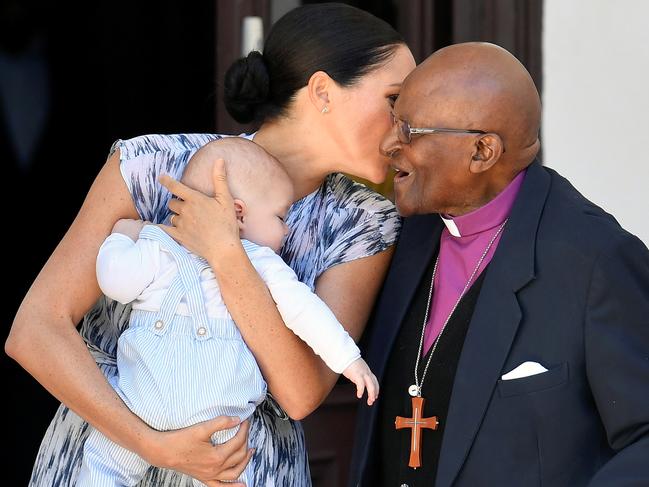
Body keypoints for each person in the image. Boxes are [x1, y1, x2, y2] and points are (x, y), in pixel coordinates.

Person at [5, 3, 415, 486]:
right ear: (323, 92)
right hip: (105, 461)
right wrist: (151, 444)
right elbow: (34, 330)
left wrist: (226, 252)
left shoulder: (364, 221)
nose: (404, 126)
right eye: (393, 100)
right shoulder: (151, 165)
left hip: (243, 473)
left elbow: (300, 394)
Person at [349, 41, 649, 487]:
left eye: (409, 130)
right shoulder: (398, 237)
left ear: (482, 151)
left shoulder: (596, 260)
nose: (388, 143)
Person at [78, 137, 379, 487]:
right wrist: (349, 360)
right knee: (229, 474)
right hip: (220, 420)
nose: (287, 229)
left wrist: (121, 236)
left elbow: (116, 283)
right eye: (281, 216)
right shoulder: (263, 262)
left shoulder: (158, 244)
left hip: (142, 403)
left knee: (103, 467)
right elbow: (306, 312)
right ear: (239, 213)